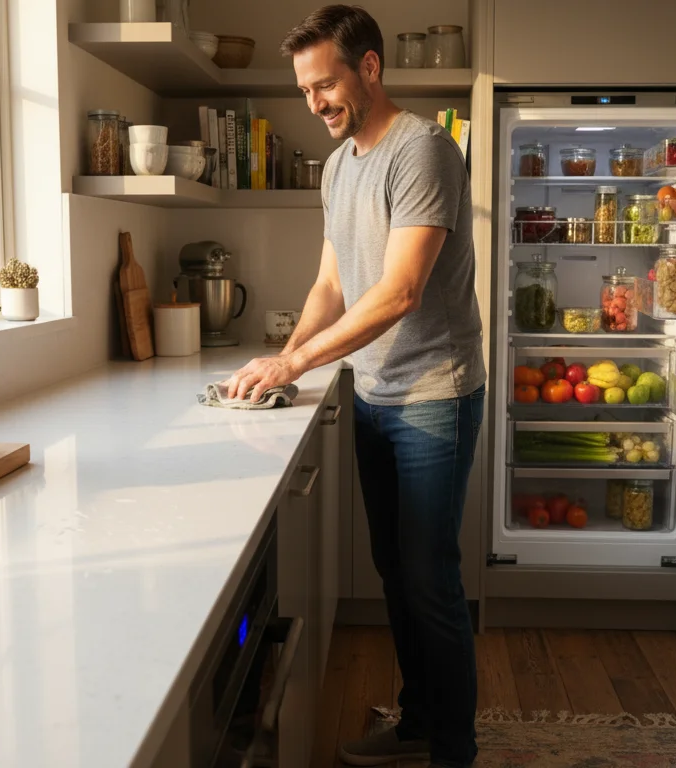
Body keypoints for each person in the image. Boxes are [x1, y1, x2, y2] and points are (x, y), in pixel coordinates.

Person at [221, 5, 485, 766]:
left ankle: (454, 752)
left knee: (429, 578)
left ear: (369, 68)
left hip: (434, 393)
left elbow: (401, 291)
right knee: (396, 571)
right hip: (373, 396)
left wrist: (297, 365)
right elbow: (332, 283)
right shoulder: (339, 167)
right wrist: (281, 357)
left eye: (325, 84)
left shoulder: (423, 151)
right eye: (305, 90)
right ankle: (418, 724)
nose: (315, 103)